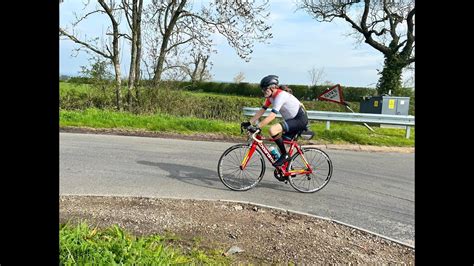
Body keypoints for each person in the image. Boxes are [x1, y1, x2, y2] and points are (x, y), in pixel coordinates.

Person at [241, 75, 308, 167]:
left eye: (265, 89)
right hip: (292, 120)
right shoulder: (270, 97)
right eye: (262, 89)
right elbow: (262, 110)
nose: (263, 91)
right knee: (280, 145)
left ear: (272, 88)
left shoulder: (280, 96)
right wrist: (249, 123)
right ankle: (288, 169)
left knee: (273, 130)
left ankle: (285, 155)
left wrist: (258, 127)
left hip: (299, 119)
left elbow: (272, 116)